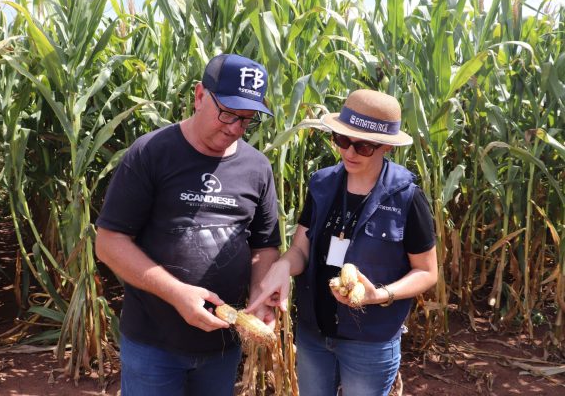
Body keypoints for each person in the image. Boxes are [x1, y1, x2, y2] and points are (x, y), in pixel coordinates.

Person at [95, 54, 281, 396]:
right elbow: (109, 243)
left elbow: (264, 246)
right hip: (154, 344)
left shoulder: (257, 168)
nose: (234, 128)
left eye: (246, 120)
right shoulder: (151, 152)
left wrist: (259, 297)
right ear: (199, 96)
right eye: (227, 113)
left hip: (222, 347)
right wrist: (177, 294)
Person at [247, 89, 438, 396]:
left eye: (363, 146)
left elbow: (427, 272)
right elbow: (301, 249)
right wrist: (283, 266)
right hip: (313, 333)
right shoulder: (322, 184)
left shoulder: (407, 198)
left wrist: (379, 295)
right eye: (342, 140)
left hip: (370, 341)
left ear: (386, 146)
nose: (349, 152)